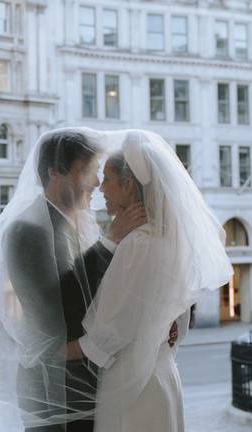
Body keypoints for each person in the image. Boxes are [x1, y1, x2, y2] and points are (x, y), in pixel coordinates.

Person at [0, 129, 148, 432]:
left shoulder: (82, 222)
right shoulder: (27, 230)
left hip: (89, 384)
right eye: (89, 171)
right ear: (55, 172)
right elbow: (55, 312)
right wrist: (110, 242)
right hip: (55, 394)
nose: (96, 183)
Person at [69, 131, 232, 432]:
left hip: (133, 383)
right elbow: (176, 326)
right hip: (163, 375)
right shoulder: (173, 240)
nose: (101, 188)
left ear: (128, 185)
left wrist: (58, 351)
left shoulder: (138, 244)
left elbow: (109, 330)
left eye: (108, 178)